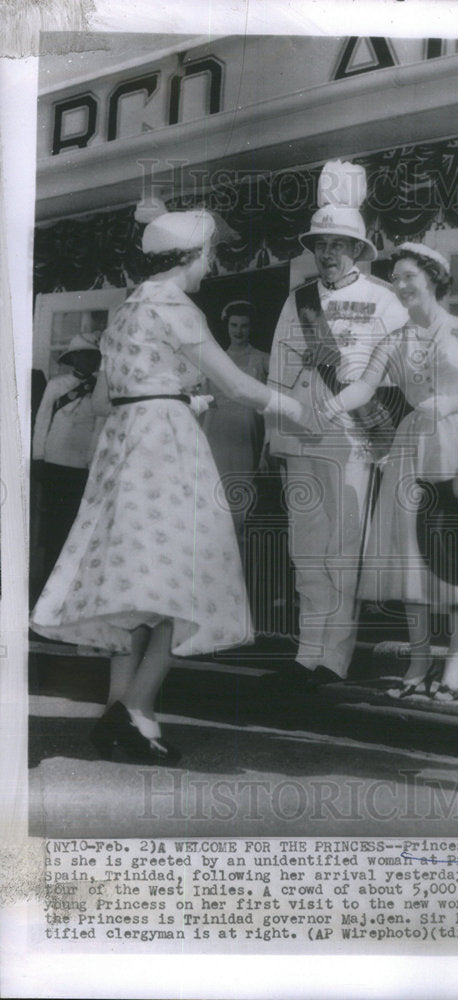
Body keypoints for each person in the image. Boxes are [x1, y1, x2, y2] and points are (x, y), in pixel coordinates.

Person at [31, 209, 309, 764]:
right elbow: (235, 383)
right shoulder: (177, 307)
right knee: (180, 576)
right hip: (165, 448)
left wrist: (181, 397)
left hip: (124, 445)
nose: (210, 265)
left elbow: (110, 400)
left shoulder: (126, 310)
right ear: (192, 256)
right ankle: (133, 710)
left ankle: (124, 713)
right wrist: (296, 406)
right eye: (208, 255)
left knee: (138, 582)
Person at [320, 243, 458, 700]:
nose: (399, 286)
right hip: (413, 449)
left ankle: (455, 659)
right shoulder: (394, 340)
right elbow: (362, 384)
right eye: (394, 278)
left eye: (407, 277)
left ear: (434, 277)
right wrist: (331, 405)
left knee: (457, 556)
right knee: (413, 558)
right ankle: (419, 659)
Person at [265, 160, 407, 689]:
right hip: (301, 439)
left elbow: (402, 376)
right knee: (306, 551)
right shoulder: (296, 301)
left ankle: (334, 660)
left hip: (352, 441)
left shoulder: (384, 301)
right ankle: (307, 654)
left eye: (337, 245)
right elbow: (278, 375)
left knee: (343, 552)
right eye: (320, 244)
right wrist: (274, 441)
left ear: (357, 250)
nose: (326, 253)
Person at [31, 332, 104, 589]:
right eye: (85, 355)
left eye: (95, 356)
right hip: (54, 459)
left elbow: (99, 427)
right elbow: (42, 422)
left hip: (82, 464)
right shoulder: (56, 385)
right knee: (52, 523)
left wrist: (93, 461)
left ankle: (69, 581)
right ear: (73, 358)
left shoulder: (99, 390)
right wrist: (38, 456)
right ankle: (47, 579)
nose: (91, 360)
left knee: (76, 522)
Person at [203, 300, 269, 555]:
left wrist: (266, 448)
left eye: (244, 326)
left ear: (251, 328)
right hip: (215, 439)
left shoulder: (263, 360)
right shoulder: (214, 360)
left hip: (246, 441)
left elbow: (271, 408)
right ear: (226, 325)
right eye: (233, 325)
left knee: (241, 509)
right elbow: (205, 405)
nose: (238, 331)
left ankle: (239, 575)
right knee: (212, 508)